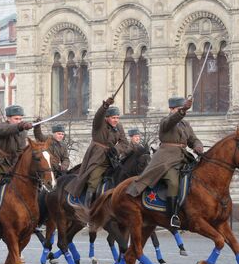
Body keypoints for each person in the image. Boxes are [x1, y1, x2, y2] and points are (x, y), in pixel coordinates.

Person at [126, 96, 203, 227]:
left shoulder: (186, 125)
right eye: (178, 109)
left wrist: (198, 146)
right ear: (171, 109)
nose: (181, 112)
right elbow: (173, 120)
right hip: (166, 159)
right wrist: (183, 110)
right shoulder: (165, 122)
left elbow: (193, 139)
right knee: (173, 182)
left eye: (182, 109)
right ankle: (172, 216)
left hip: (183, 157)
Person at [0, 104, 33, 238]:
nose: (19, 121)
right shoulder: (0, 128)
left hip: (12, 167)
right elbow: (8, 130)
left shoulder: (22, 133)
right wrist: (20, 126)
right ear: (8, 118)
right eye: (16, 118)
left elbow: (20, 151)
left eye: (21, 119)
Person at [65, 97, 130, 206]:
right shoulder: (99, 124)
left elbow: (124, 143)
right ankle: (88, 211)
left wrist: (116, 149)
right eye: (113, 117)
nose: (116, 120)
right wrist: (105, 106)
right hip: (98, 158)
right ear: (107, 117)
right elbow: (98, 116)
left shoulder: (119, 126)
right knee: (93, 182)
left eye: (117, 117)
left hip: (112, 159)